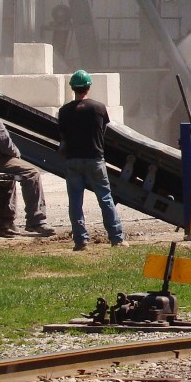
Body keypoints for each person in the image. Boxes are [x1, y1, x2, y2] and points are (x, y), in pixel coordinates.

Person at [0, 82, 52, 237]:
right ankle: (36, 221)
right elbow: (6, 145)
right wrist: (17, 155)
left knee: (7, 180)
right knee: (32, 173)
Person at [58, 69, 126, 250]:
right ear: (88, 87)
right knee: (105, 199)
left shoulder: (63, 111)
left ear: (72, 88)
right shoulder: (99, 108)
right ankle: (116, 238)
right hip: (95, 159)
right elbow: (103, 131)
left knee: (75, 201)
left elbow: (63, 139)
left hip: (73, 161)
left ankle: (80, 241)